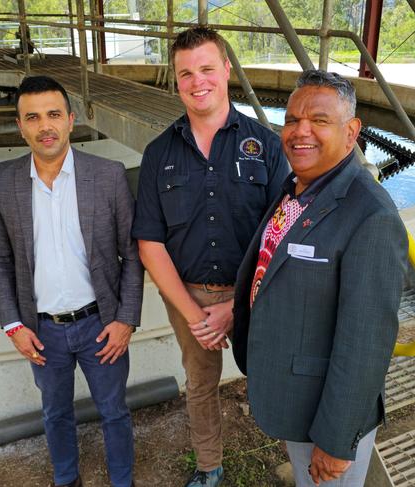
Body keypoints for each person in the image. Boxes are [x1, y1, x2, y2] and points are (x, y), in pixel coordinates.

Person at [232, 70, 408, 487]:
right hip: (299, 396)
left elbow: (366, 342)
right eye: (292, 120)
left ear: (351, 133)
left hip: (328, 416)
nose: (299, 132)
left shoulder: (371, 217)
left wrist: (335, 440)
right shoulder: (298, 186)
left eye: (319, 121)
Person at [131, 26, 289, 487]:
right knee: (199, 385)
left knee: (275, 372)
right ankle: (208, 466)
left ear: (225, 70)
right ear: (174, 80)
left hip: (256, 290)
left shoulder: (267, 145)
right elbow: (150, 243)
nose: (197, 81)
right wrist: (197, 316)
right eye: (185, 73)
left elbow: (280, 232)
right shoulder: (158, 153)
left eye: (206, 68)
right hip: (189, 297)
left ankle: (297, 451)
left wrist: (238, 304)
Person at [0, 75, 143, 487]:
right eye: (33, 117)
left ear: (71, 120)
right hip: (41, 330)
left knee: (114, 411)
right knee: (54, 413)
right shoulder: (2, 180)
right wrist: (12, 324)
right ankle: (66, 479)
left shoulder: (108, 175)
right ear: (20, 126)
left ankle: (122, 482)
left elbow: (132, 253)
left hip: (101, 325)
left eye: (54, 114)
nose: (45, 126)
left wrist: (125, 319)